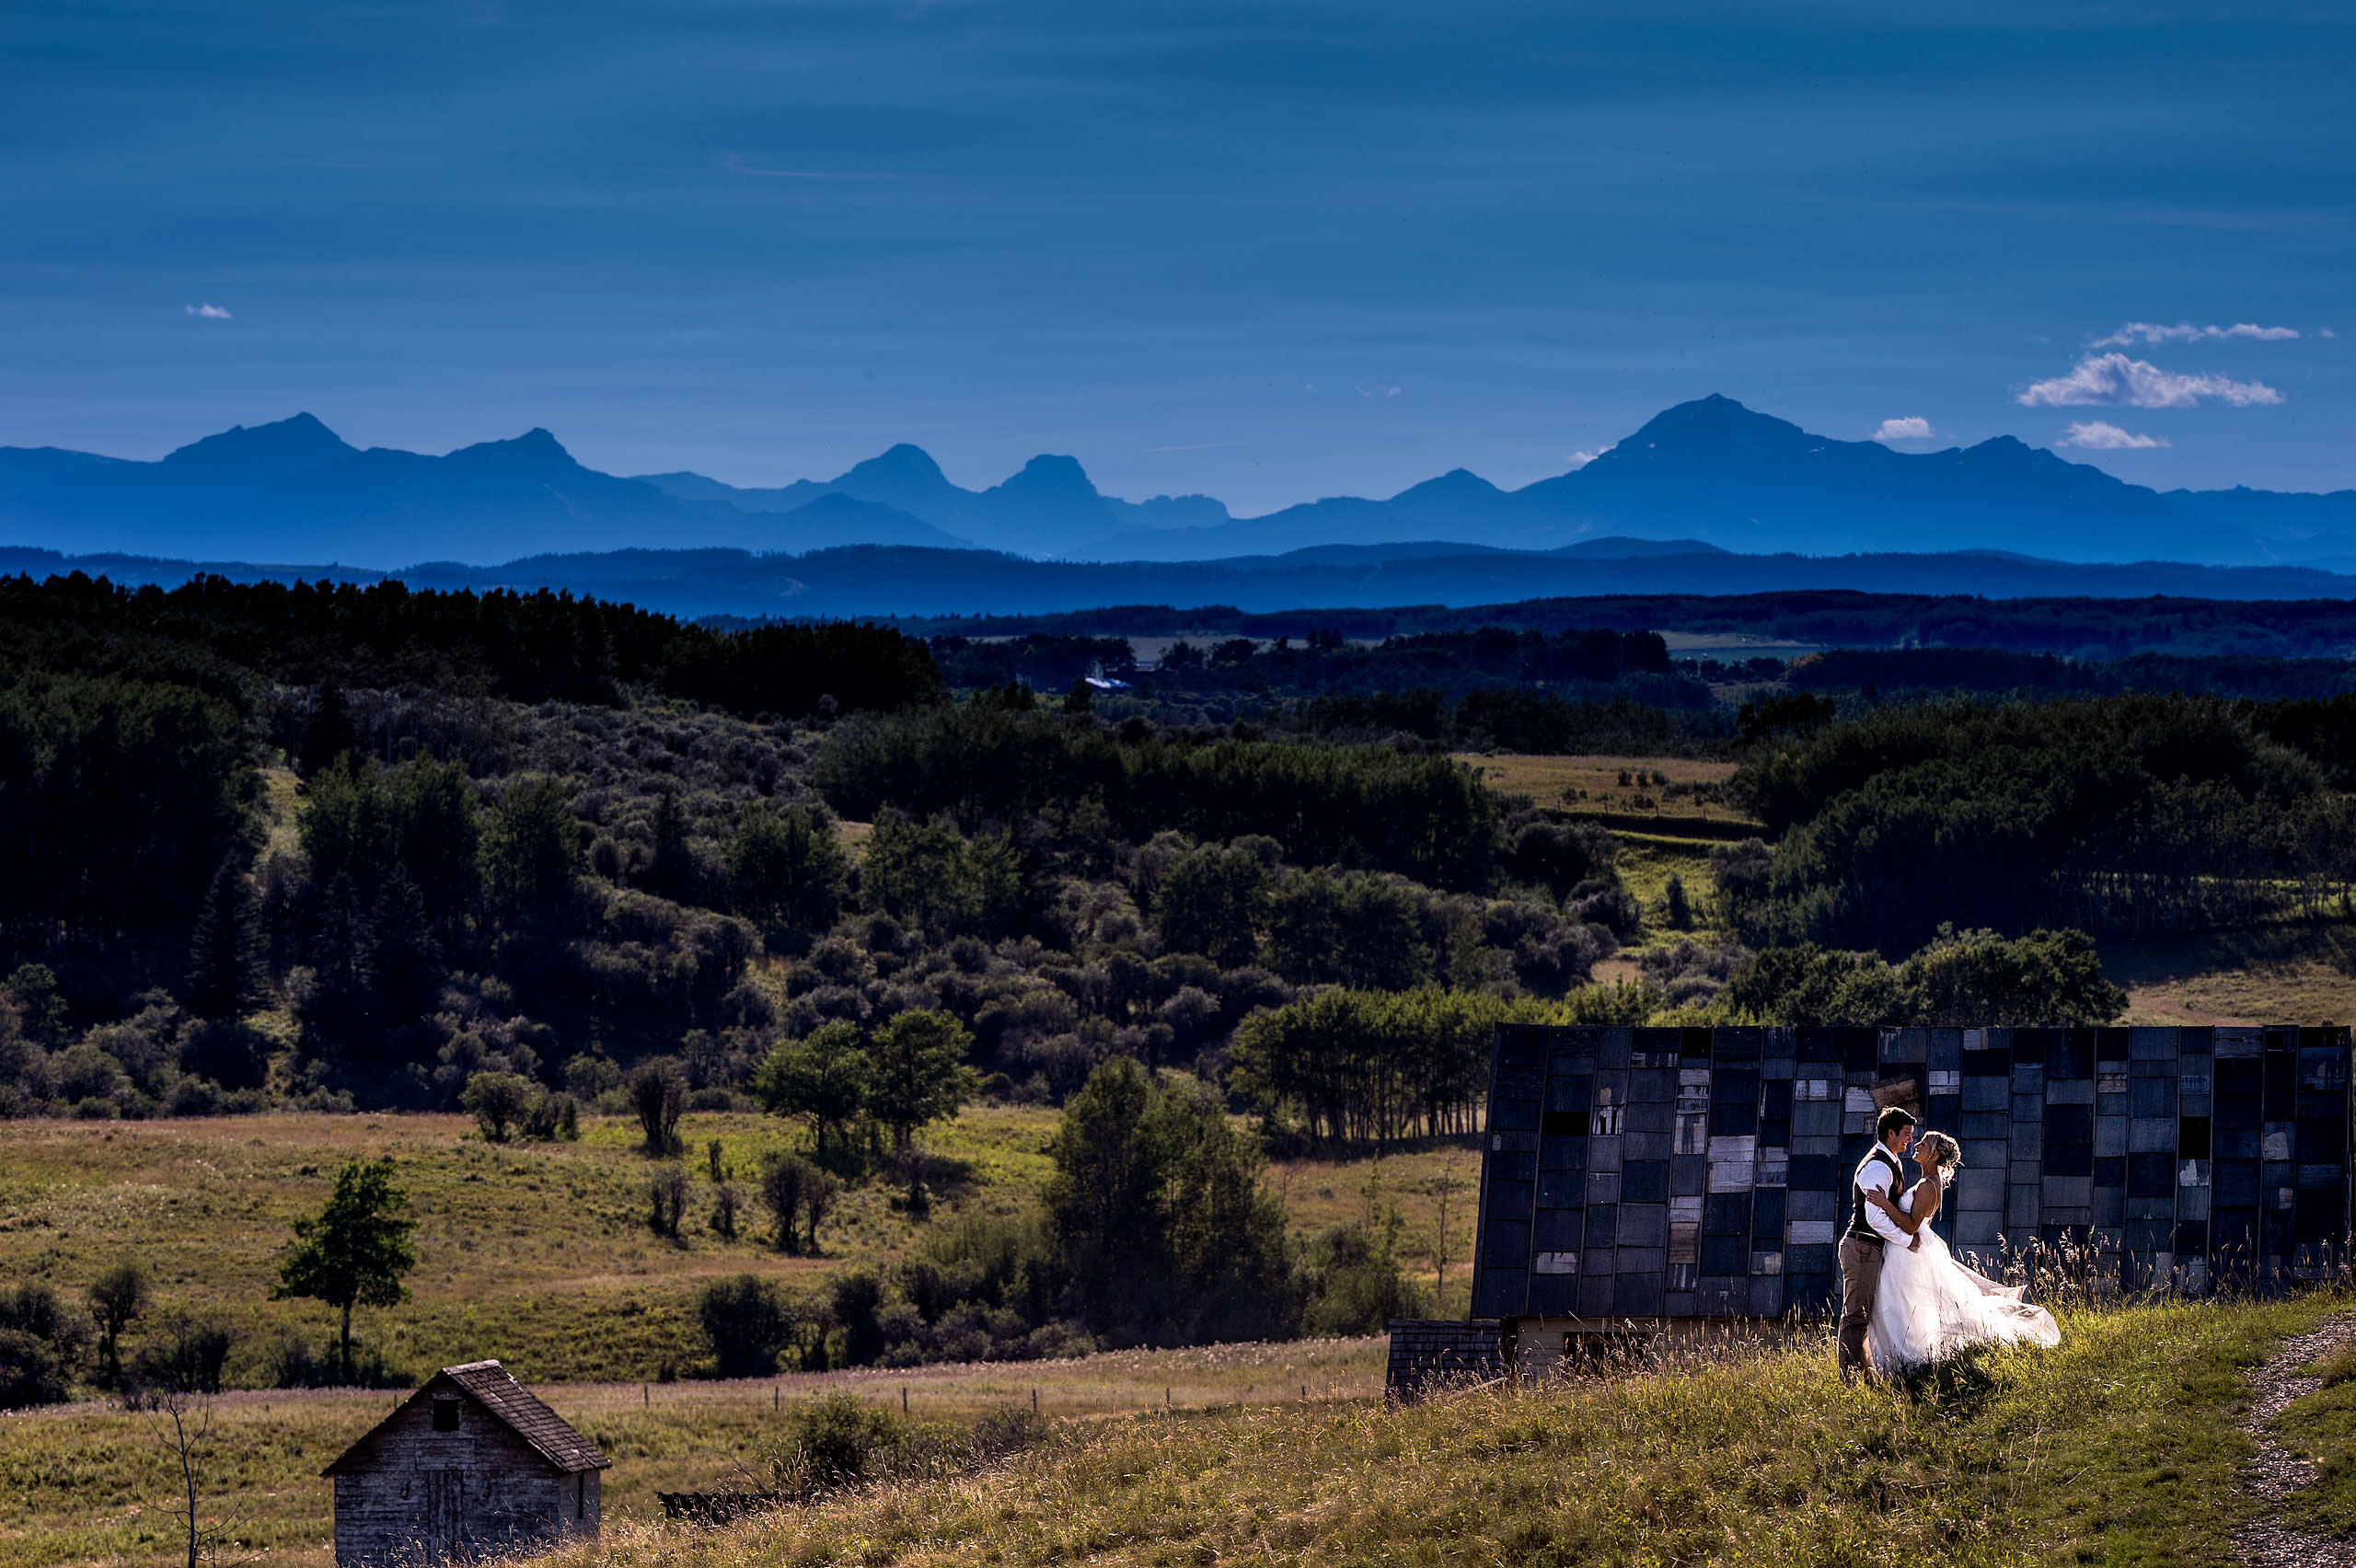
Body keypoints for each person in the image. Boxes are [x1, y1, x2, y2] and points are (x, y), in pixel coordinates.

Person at [1865, 1128, 2062, 1372]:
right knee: (1901, 1305)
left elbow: (1911, 1226)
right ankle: (1899, 1363)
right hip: (1907, 1251)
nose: (1917, 1145)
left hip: (1908, 1254)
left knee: (1900, 1305)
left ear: (1934, 1155)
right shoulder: (1927, 1181)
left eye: (1924, 1144)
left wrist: (1884, 1204)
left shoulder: (1928, 1185)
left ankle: (1906, 1363)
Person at [1837, 1106, 1918, 1379]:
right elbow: (1875, 1219)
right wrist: (1906, 1240)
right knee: (1855, 1316)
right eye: (1906, 1134)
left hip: (1870, 1248)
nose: (1910, 1139)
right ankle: (1850, 1381)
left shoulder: (1891, 1160)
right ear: (1890, 1132)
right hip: (1862, 1246)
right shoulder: (1877, 1167)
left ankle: (1865, 1374)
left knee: (1865, 1315)